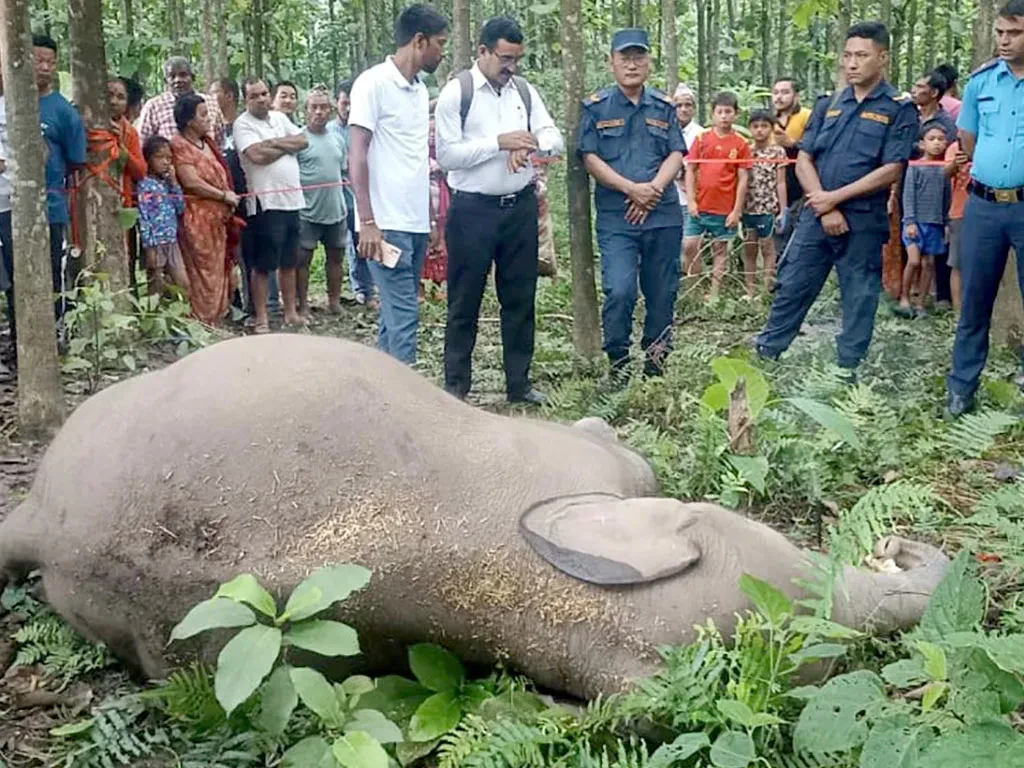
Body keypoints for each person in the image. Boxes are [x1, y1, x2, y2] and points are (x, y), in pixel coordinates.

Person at [755, 21, 917, 377]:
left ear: (883, 57)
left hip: (861, 220)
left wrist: (834, 199)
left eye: (862, 55)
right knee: (792, 286)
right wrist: (821, 202)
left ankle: (847, 373)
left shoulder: (898, 107)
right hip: (816, 218)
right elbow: (805, 158)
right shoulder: (829, 104)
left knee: (859, 297)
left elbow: (892, 168)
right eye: (847, 56)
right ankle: (765, 358)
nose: (852, 64)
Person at [435, 15, 563, 404]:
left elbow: (553, 136)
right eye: (506, 58)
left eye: (517, 59)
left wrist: (529, 146)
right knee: (464, 299)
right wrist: (499, 143)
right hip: (472, 211)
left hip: (519, 208)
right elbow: (448, 156)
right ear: (483, 52)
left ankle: (519, 384)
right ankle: (457, 386)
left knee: (520, 297)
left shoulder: (523, 91)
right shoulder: (458, 93)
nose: (512, 67)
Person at [578, 28, 685, 383]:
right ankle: (619, 365)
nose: (632, 64)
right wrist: (631, 190)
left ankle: (656, 366)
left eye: (639, 57)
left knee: (662, 292)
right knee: (620, 289)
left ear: (650, 62)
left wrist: (652, 189)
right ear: (612, 62)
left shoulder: (664, 106)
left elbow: (675, 153)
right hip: (617, 217)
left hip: (663, 214)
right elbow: (590, 157)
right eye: (625, 57)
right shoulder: (596, 107)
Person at [349, 4, 449, 365]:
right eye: (439, 43)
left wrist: (432, 219)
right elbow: (357, 154)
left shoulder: (420, 91)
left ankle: (381, 396)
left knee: (395, 319)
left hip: (415, 223)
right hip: (385, 225)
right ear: (419, 41)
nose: (443, 51)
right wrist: (368, 222)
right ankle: (408, 405)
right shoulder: (372, 84)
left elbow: (416, 159)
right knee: (405, 315)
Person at [946, 0, 1024, 416]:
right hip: (985, 206)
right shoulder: (981, 82)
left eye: (1014, 33)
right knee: (974, 299)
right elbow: (968, 140)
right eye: (1000, 33)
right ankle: (961, 389)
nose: (1004, 41)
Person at [234, 77, 309, 332]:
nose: (262, 99)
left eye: (265, 93)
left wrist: (273, 142)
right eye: (255, 95)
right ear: (246, 100)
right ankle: (262, 317)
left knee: (289, 261)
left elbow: (302, 141)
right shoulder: (242, 124)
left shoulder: (279, 118)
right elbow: (256, 155)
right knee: (263, 264)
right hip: (265, 203)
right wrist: (285, 146)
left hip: (292, 200)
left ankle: (290, 313)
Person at [170, 93, 239, 326]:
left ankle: (216, 319)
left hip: (218, 220)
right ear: (189, 121)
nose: (208, 119)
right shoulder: (179, 145)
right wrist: (222, 195)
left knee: (219, 269)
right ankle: (200, 322)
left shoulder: (207, 142)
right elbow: (191, 182)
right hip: (196, 219)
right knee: (202, 271)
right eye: (203, 115)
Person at [33, 34, 86, 331]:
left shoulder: (65, 112)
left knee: (55, 270)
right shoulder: (8, 105)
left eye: (49, 62)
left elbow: (76, 164)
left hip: (52, 205)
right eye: (37, 60)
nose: (44, 67)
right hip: (10, 206)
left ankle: (59, 330)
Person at [683, 91, 751, 299]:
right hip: (700, 205)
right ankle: (693, 289)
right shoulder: (702, 139)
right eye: (719, 112)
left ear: (736, 114)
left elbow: (743, 178)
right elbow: (691, 170)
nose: (724, 116)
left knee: (720, 250)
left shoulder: (740, 143)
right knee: (689, 245)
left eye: (728, 112)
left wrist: (736, 210)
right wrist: (691, 201)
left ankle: (714, 294)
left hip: (725, 207)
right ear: (713, 114)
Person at [296, 86, 348, 317]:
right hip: (307, 211)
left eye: (323, 107)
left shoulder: (337, 138)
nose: (319, 112)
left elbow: (343, 170)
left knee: (336, 256)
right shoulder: (298, 139)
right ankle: (303, 305)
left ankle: (334, 302)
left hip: (336, 209)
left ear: (330, 109)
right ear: (305, 111)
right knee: (303, 258)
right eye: (314, 108)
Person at [897, 122, 952, 317]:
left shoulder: (945, 170)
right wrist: (910, 221)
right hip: (915, 222)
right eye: (932, 139)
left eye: (940, 139)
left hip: (935, 222)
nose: (936, 143)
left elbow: (947, 198)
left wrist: (946, 222)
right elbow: (908, 195)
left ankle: (920, 303)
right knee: (913, 261)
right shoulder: (915, 167)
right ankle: (904, 297)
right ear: (922, 144)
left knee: (929, 263)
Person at [329, 79, 375, 306]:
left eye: (352, 104)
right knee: (343, 246)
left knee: (362, 243)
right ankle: (354, 289)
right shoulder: (329, 131)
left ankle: (368, 290)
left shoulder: (362, 129)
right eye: (344, 102)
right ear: (336, 102)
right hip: (336, 199)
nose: (347, 108)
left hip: (360, 197)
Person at [137, 136, 189, 298]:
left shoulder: (167, 183)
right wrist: (149, 246)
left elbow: (180, 208)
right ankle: (155, 320)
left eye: (169, 158)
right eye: (160, 157)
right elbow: (144, 218)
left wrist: (174, 183)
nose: (166, 162)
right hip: (155, 242)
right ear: (148, 159)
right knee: (156, 286)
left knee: (183, 283)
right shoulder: (144, 185)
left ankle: (182, 317)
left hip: (171, 240)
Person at [743, 109, 787, 298]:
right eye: (755, 126)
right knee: (749, 247)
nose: (759, 130)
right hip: (747, 207)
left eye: (764, 126)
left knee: (768, 248)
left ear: (771, 128)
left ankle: (767, 288)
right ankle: (749, 289)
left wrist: (783, 209)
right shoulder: (745, 150)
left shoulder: (778, 151)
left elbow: (781, 182)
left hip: (768, 206)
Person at [108, 76, 147, 288]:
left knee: (125, 256)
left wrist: (121, 148)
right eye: (109, 96)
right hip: (89, 205)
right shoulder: (84, 124)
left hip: (123, 205)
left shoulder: (129, 132)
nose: (114, 101)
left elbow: (141, 170)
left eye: (120, 97)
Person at [138, 57, 225, 146]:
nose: (178, 80)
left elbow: (219, 141)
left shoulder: (210, 103)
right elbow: (142, 144)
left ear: (193, 77)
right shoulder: (154, 106)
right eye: (172, 76)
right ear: (165, 81)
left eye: (183, 75)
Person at [772, 77, 813, 254]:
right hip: (772, 187)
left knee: (797, 238)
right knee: (774, 239)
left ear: (796, 96)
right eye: (776, 93)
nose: (779, 97)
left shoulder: (807, 116)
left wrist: (791, 143)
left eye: (785, 92)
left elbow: (816, 146)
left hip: (801, 185)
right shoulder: (768, 119)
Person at [943, 135, 971, 313]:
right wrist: (956, 163)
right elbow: (944, 174)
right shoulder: (955, 147)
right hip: (959, 211)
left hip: (988, 211)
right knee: (957, 262)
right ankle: (958, 311)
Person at [672, 83, 703, 236]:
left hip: (692, 201)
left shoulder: (702, 135)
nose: (683, 109)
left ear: (694, 108)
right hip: (668, 199)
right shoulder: (664, 131)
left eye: (688, 105)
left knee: (689, 246)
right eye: (679, 105)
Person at [910, 70, 958, 140]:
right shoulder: (910, 116)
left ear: (934, 93)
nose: (913, 91)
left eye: (920, 87)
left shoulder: (946, 123)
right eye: (914, 86)